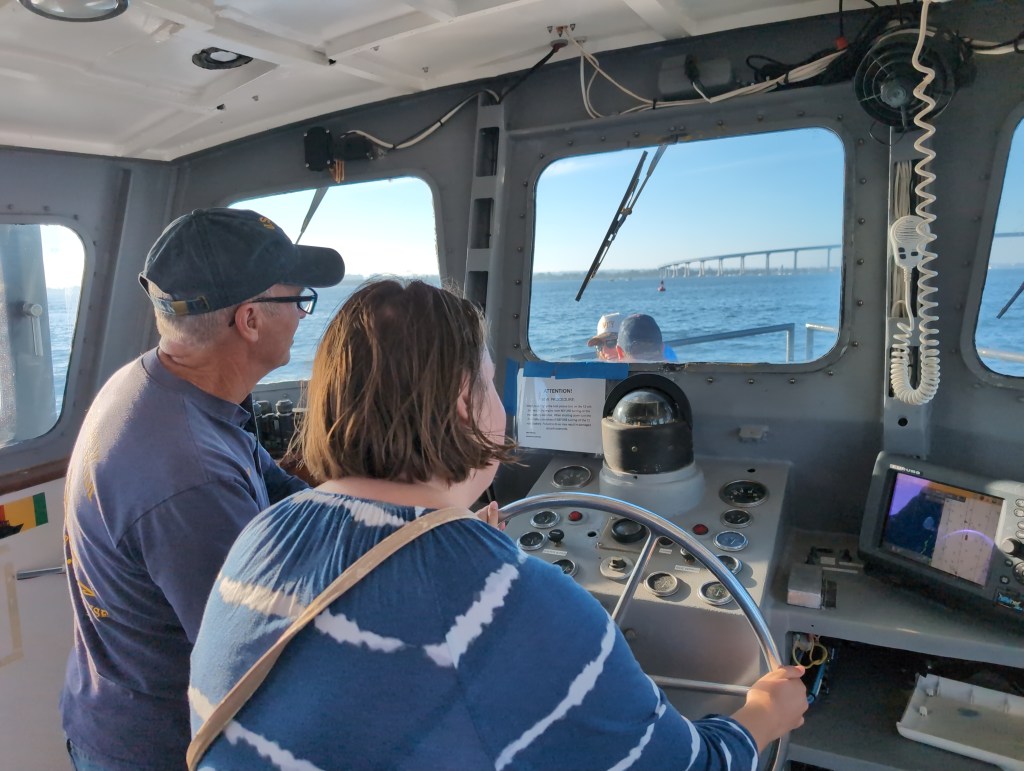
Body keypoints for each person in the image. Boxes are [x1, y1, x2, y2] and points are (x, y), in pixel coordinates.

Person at [188, 278, 807, 771]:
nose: (498, 403)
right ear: (463, 403)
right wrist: (760, 715)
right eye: (488, 383)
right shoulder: (516, 603)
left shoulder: (263, 534)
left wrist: (469, 546)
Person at [60, 208, 345, 771]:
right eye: (298, 300)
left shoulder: (160, 384)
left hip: (113, 707)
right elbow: (256, 656)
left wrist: (395, 529)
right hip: (159, 749)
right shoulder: (192, 477)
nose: (304, 317)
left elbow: (277, 485)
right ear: (251, 320)